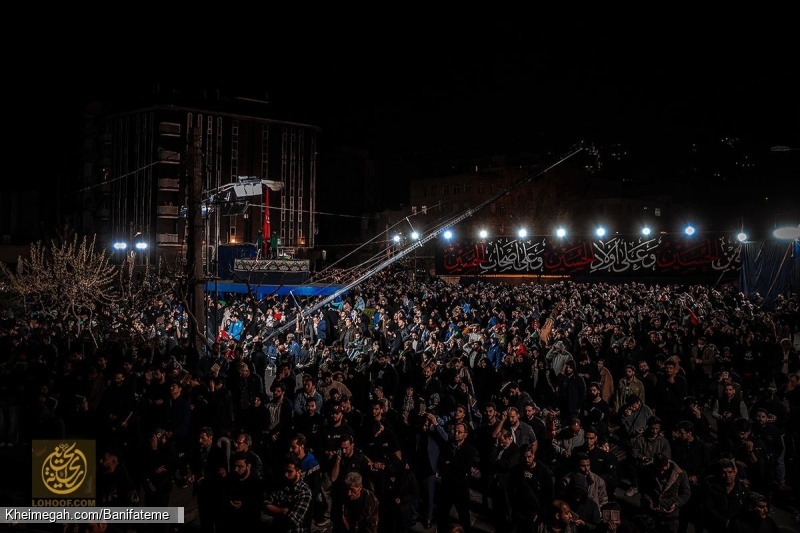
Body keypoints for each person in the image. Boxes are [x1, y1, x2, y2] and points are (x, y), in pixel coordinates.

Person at [639, 452, 691, 533]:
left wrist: (676, 504)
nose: (661, 472)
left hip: (670, 515)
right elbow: (642, 487)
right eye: (659, 469)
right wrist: (648, 499)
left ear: (667, 464)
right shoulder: (647, 470)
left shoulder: (680, 474)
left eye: (663, 469)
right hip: (651, 512)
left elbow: (686, 493)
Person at [264, 458, 313, 533]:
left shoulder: (304, 492)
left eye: (290, 471)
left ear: (299, 472)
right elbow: (266, 503)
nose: (286, 474)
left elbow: (293, 519)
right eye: (285, 471)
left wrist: (274, 510)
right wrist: (281, 511)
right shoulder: (281, 486)